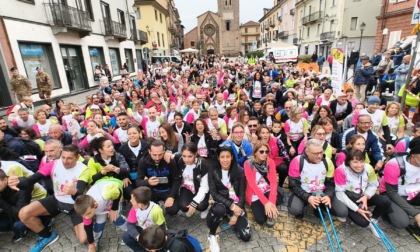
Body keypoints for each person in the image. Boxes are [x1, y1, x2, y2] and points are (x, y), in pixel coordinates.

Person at [8, 145, 90, 251]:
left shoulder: (84, 169)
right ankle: (47, 236)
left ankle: (90, 217)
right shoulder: (53, 164)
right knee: (23, 213)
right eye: (63, 157)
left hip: (76, 204)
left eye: (69, 158)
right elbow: (29, 182)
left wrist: (73, 191)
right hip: (56, 200)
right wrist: (18, 182)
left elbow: (79, 194)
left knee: (84, 239)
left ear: (77, 158)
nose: (65, 161)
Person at [334, 149, 392, 237]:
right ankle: (361, 217)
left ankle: (373, 220)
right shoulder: (341, 170)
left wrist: (366, 196)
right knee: (363, 223)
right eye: (355, 162)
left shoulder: (368, 168)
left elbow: (374, 185)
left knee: (385, 201)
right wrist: (356, 209)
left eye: (362, 162)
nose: (359, 165)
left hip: (362, 196)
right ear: (349, 161)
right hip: (348, 198)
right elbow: (340, 193)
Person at [287, 139, 347, 219]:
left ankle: (321, 206)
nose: (319, 156)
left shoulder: (327, 161)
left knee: (343, 212)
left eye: (321, 152)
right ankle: (305, 205)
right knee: (294, 209)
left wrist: (328, 195)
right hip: (304, 191)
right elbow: (293, 185)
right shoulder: (297, 161)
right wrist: (308, 197)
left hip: (321, 191)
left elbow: (331, 183)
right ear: (307, 152)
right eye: (315, 153)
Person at [206, 145, 251, 252]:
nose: (225, 160)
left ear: (232, 157)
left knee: (246, 236)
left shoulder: (239, 171)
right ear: (218, 157)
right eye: (222, 157)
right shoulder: (213, 171)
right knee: (219, 210)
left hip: (236, 203)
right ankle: (212, 235)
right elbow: (214, 193)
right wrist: (232, 206)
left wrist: (236, 214)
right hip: (220, 203)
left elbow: (242, 193)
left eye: (228, 157)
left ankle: (231, 216)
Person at [73, 180, 127, 251]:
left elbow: (118, 192)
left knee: (115, 218)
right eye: (84, 216)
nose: (87, 217)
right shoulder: (86, 208)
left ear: (95, 205)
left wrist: (114, 208)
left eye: (88, 214)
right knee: (99, 223)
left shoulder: (104, 196)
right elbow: (88, 228)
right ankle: (95, 241)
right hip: (101, 206)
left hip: (114, 195)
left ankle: (131, 231)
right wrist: (91, 244)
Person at [380, 137, 420, 229]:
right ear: (413, 154)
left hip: (414, 192)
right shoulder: (394, 165)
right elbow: (392, 193)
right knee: (401, 223)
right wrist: (415, 213)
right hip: (393, 194)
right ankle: (386, 212)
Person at [244, 141, 283, 226]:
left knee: (274, 198)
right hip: (255, 193)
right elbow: (252, 185)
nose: (264, 154)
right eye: (261, 151)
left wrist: (271, 202)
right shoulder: (248, 164)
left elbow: (273, 182)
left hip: (267, 189)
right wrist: (266, 203)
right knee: (260, 219)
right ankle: (267, 206)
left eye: (267, 151)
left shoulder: (270, 162)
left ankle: (270, 211)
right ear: (255, 152)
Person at [136, 140, 180, 215]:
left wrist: (171, 197)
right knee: (149, 211)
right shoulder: (143, 161)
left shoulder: (170, 160)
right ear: (149, 151)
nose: (157, 158)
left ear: (164, 151)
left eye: (160, 154)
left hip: (167, 190)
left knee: (173, 210)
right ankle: (155, 206)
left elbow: (176, 180)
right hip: (151, 191)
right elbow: (138, 181)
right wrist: (148, 182)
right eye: (154, 155)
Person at [172, 142, 210, 218]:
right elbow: (170, 155)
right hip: (186, 187)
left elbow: (204, 187)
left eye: (190, 156)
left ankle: (204, 209)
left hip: (199, 187)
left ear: (195, 154)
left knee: (201, 206)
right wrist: (168, 154)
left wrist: (194, 203)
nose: (186, 159)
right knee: (183, 206)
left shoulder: (203, 164)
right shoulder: (179, 159)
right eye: (184, 156)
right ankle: (190, 205)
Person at [122, 187, 166, 252]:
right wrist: (137, 236)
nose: (130, 201)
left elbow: (162, 227)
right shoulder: (135, 208)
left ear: (140, 204)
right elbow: (130, 224)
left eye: (132, 200)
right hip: (143, 230)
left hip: (155, 233)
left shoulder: (156, 210)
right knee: (126, 236)